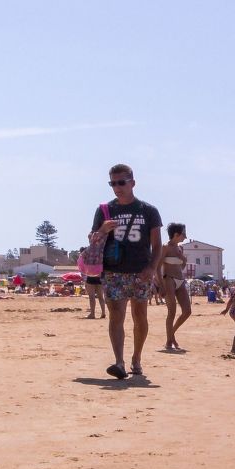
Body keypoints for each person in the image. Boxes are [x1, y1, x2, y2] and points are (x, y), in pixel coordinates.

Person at [88, 163, 162, 380]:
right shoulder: (105, 210)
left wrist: (152, 268)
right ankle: (119, 361)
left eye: (122, 182)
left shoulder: (148, 211)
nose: (117, 187)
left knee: (140, 317)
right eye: (113, 183)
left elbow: (157, 245)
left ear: (132, 183)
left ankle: (136, 358)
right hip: (114, 271)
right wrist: (103, 229)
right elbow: (93, 240)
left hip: (141, 271)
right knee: (116, 316)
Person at [158, 222, 193, 352]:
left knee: (187, 311)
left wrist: (182, 259)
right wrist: (160, 284)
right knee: (171, 312)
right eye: (183, 234)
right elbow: (157, 267)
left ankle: (171, 334)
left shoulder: (180, 248)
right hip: (168, 279)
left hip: (180, 279)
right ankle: (169, 341)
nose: (185, 237)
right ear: (176, 234)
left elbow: (182, 267)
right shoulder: (165, 247)